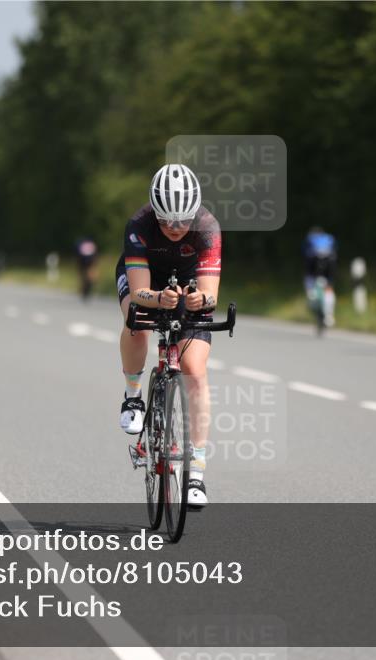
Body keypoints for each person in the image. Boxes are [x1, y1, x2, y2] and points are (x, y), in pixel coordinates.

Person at [116, 164, 221, 508]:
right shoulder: (139, 225)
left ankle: (196, 474)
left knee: (195, 371)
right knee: (137, 322)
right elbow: (139, 292)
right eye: (166, 221)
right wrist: (159, 298)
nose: (175, 228)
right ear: (154, 213)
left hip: (188, 282)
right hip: (146, 281)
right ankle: (133, 396)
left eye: (182, 221)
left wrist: (199, 300)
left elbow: (211, 295)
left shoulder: (207, 227)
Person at [302, 226, 337, 327]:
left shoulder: (310, 248)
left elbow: (308, 273)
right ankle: (329, 316)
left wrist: (309, 289)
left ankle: (326, 314)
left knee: (312, 293)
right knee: (329, 291)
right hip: (328, 268)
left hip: (315, 271)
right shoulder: (329, 242)